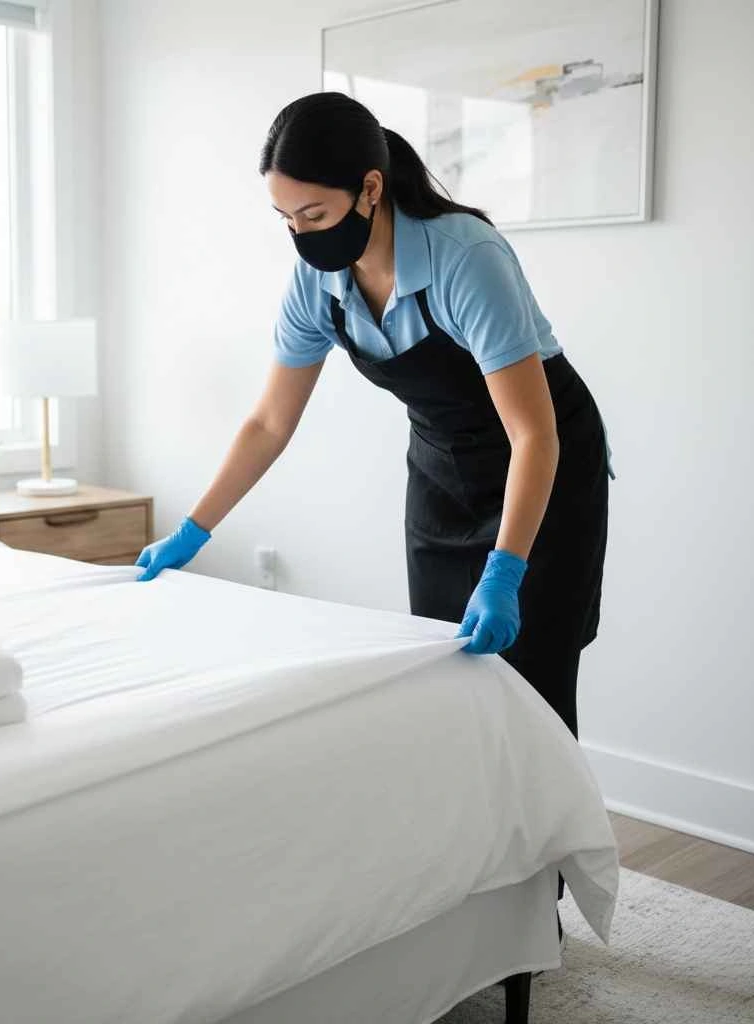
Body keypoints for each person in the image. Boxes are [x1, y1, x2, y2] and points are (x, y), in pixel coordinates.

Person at [135, 94, 611, 925]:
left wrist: (506, 570)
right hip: (441, 471)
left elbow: (533, 434)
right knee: (448, 683)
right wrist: (193, 529)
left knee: (533, 688)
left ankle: (538, 906)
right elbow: (269, 421)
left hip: (543, 469)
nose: (299, 232)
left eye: (312, 211)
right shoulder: (316, 280)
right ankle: (468, 888)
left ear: (368, 188)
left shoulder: (466, 257)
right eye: (283, 217)